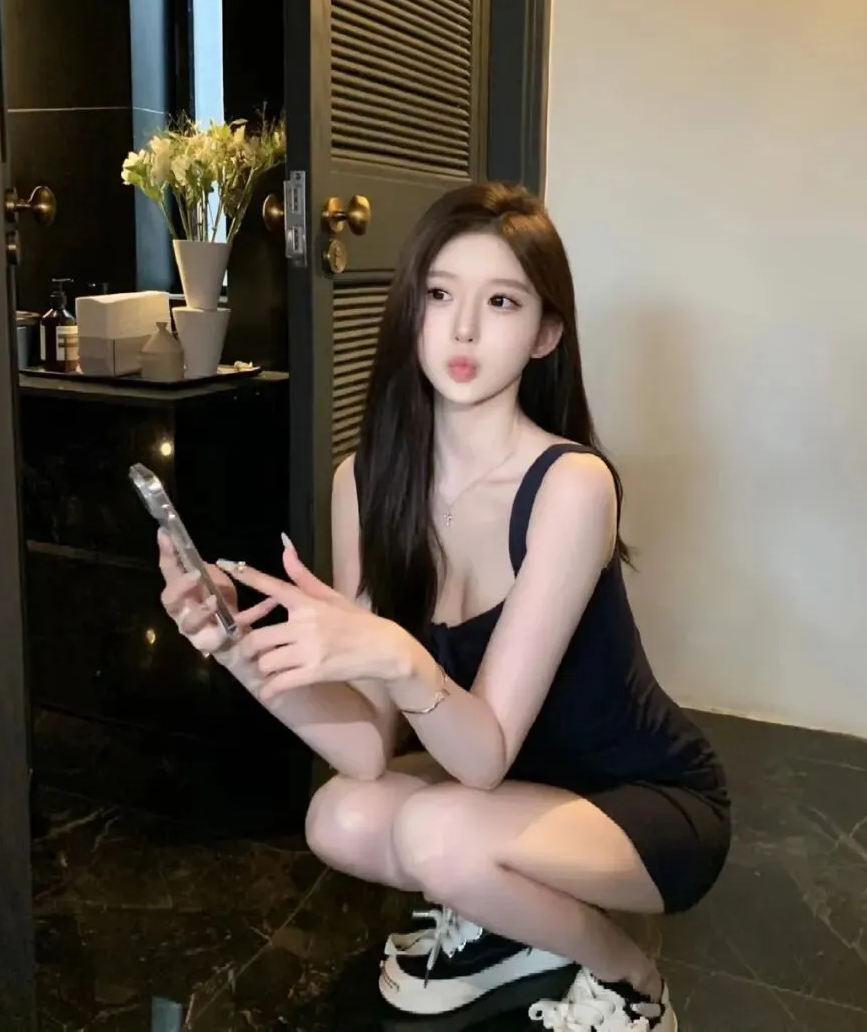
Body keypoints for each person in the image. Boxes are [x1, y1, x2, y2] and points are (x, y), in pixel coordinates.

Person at [159, 182, 730, 1032]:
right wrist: (233, 641)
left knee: (435, 833)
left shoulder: (571, 486)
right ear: (410, 311)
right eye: (438, 294)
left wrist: (397, 654)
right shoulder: (366, 484)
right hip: (505, 792)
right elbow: (364, 746)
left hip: (642, 800)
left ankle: (629, 978)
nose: (462, 330)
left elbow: (483, 756)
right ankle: (514, 923)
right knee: (339, 816)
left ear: (545, 335)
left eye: (501, 302)